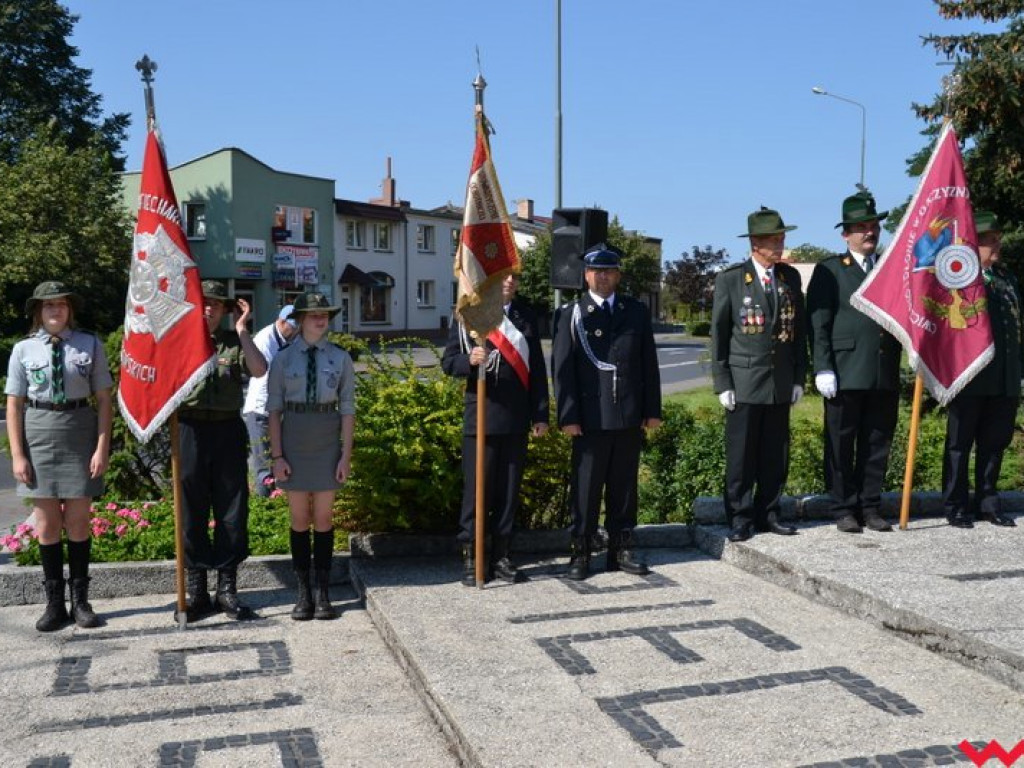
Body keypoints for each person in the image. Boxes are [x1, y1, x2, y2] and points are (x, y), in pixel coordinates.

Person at [5, 281, 113, 631]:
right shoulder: (23, 349)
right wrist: (18, 456)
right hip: (39, 432)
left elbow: (104, 400)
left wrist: (101, 446)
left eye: (62, 305)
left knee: (79, 521)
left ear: (70, 309)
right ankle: (54, 603)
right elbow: (14, 405)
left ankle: (80, 601)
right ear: (38, 310)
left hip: (80, 431)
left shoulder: (89, 344)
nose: (55, 311)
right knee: (47, 524)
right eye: (48, 305)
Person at [553, 244, 662, 581]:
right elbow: (563, 370)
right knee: (586, 489)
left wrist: (651, 411)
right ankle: (581, 552)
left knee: (625, 487)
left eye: (610, 271)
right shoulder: (571, 314)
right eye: (597, 271)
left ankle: (622, 549)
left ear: (618, 274)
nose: (603, 276)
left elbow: (648, 365)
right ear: (585, 275)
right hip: (588, 419)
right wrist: (568, 416)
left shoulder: (635, 311)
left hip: (628, 415)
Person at [442, 272, 549, 586]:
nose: (511, 280)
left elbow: (538, 370)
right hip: (482, 419)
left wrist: (540, 413)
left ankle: (502, 555)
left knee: (508, 492)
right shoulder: (470, 315)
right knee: (478, 493)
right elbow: (448, 362)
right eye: (504, 274)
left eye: (516, 275)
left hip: (515, 419)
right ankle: (472, 557)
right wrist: (469, 360)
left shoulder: (524, 316)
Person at [807, 191, 902, 534]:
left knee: (877, 443)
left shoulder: (890, 269)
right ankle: (843, 507)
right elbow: (818, 323)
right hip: (845, 371)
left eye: (873, 226)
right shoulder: (830, 270)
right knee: (841, 443)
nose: (869, 233)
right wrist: (822, 366)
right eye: (861, 227)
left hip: (882, 370)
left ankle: (871, 505)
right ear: (845, 234)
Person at [711, 207, 807, 543]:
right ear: (755, 242)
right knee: (741, 456)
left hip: (779, 382)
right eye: (772, 239)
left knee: (774, 453)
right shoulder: (732, 279)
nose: (779, 244)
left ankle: (770, 512)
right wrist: (722, 382)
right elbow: (720, 335)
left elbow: (798, 331)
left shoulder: (789, 278)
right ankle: (739, 516)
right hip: (745, 382)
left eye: (781, 237)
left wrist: (798, 377)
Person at [177, 280, 267, 621]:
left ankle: (227, 589)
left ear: (225, 311)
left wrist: (243, 331)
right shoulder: (179, 345)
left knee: (232, 508)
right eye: (204, 302)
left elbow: (259, 369)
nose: (209, 309)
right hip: (189, 429)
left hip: (228, 429)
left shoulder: (234, 342)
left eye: (216, 304)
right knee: (192, 509)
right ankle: (198, 590)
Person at [267, 292, 355, 620]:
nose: (321, 319)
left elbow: (347, 409)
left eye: (325, 314)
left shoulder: (340, 358)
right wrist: (277, 456)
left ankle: (323, 593)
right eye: (314, 314)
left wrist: (345, 455)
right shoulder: (283, 359)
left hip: (326, 439)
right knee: (299, 519)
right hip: (295, 439)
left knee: (324, 518)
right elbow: (273, 410)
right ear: (300, 319)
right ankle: (303, 593)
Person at [941, 211, 1021, 529]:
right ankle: (955, 504)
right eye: (989, 239)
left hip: (1004, 378)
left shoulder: (1006, 278)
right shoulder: (960, 278)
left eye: (997, 238)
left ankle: (987, 501)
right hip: (970, 376)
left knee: (994, 443)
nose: (996, 244)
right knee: (960, 445)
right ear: (973, 244)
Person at [242, 305, 297, 496]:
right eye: (294, 327)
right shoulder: (265, 339)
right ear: (281, 322)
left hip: (279, 412)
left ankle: (280, 503)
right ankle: (265, 508)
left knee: (282, 464)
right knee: (264, 465)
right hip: (260, 411)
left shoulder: (291, 339)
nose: (297, 331)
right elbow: (266, 378)